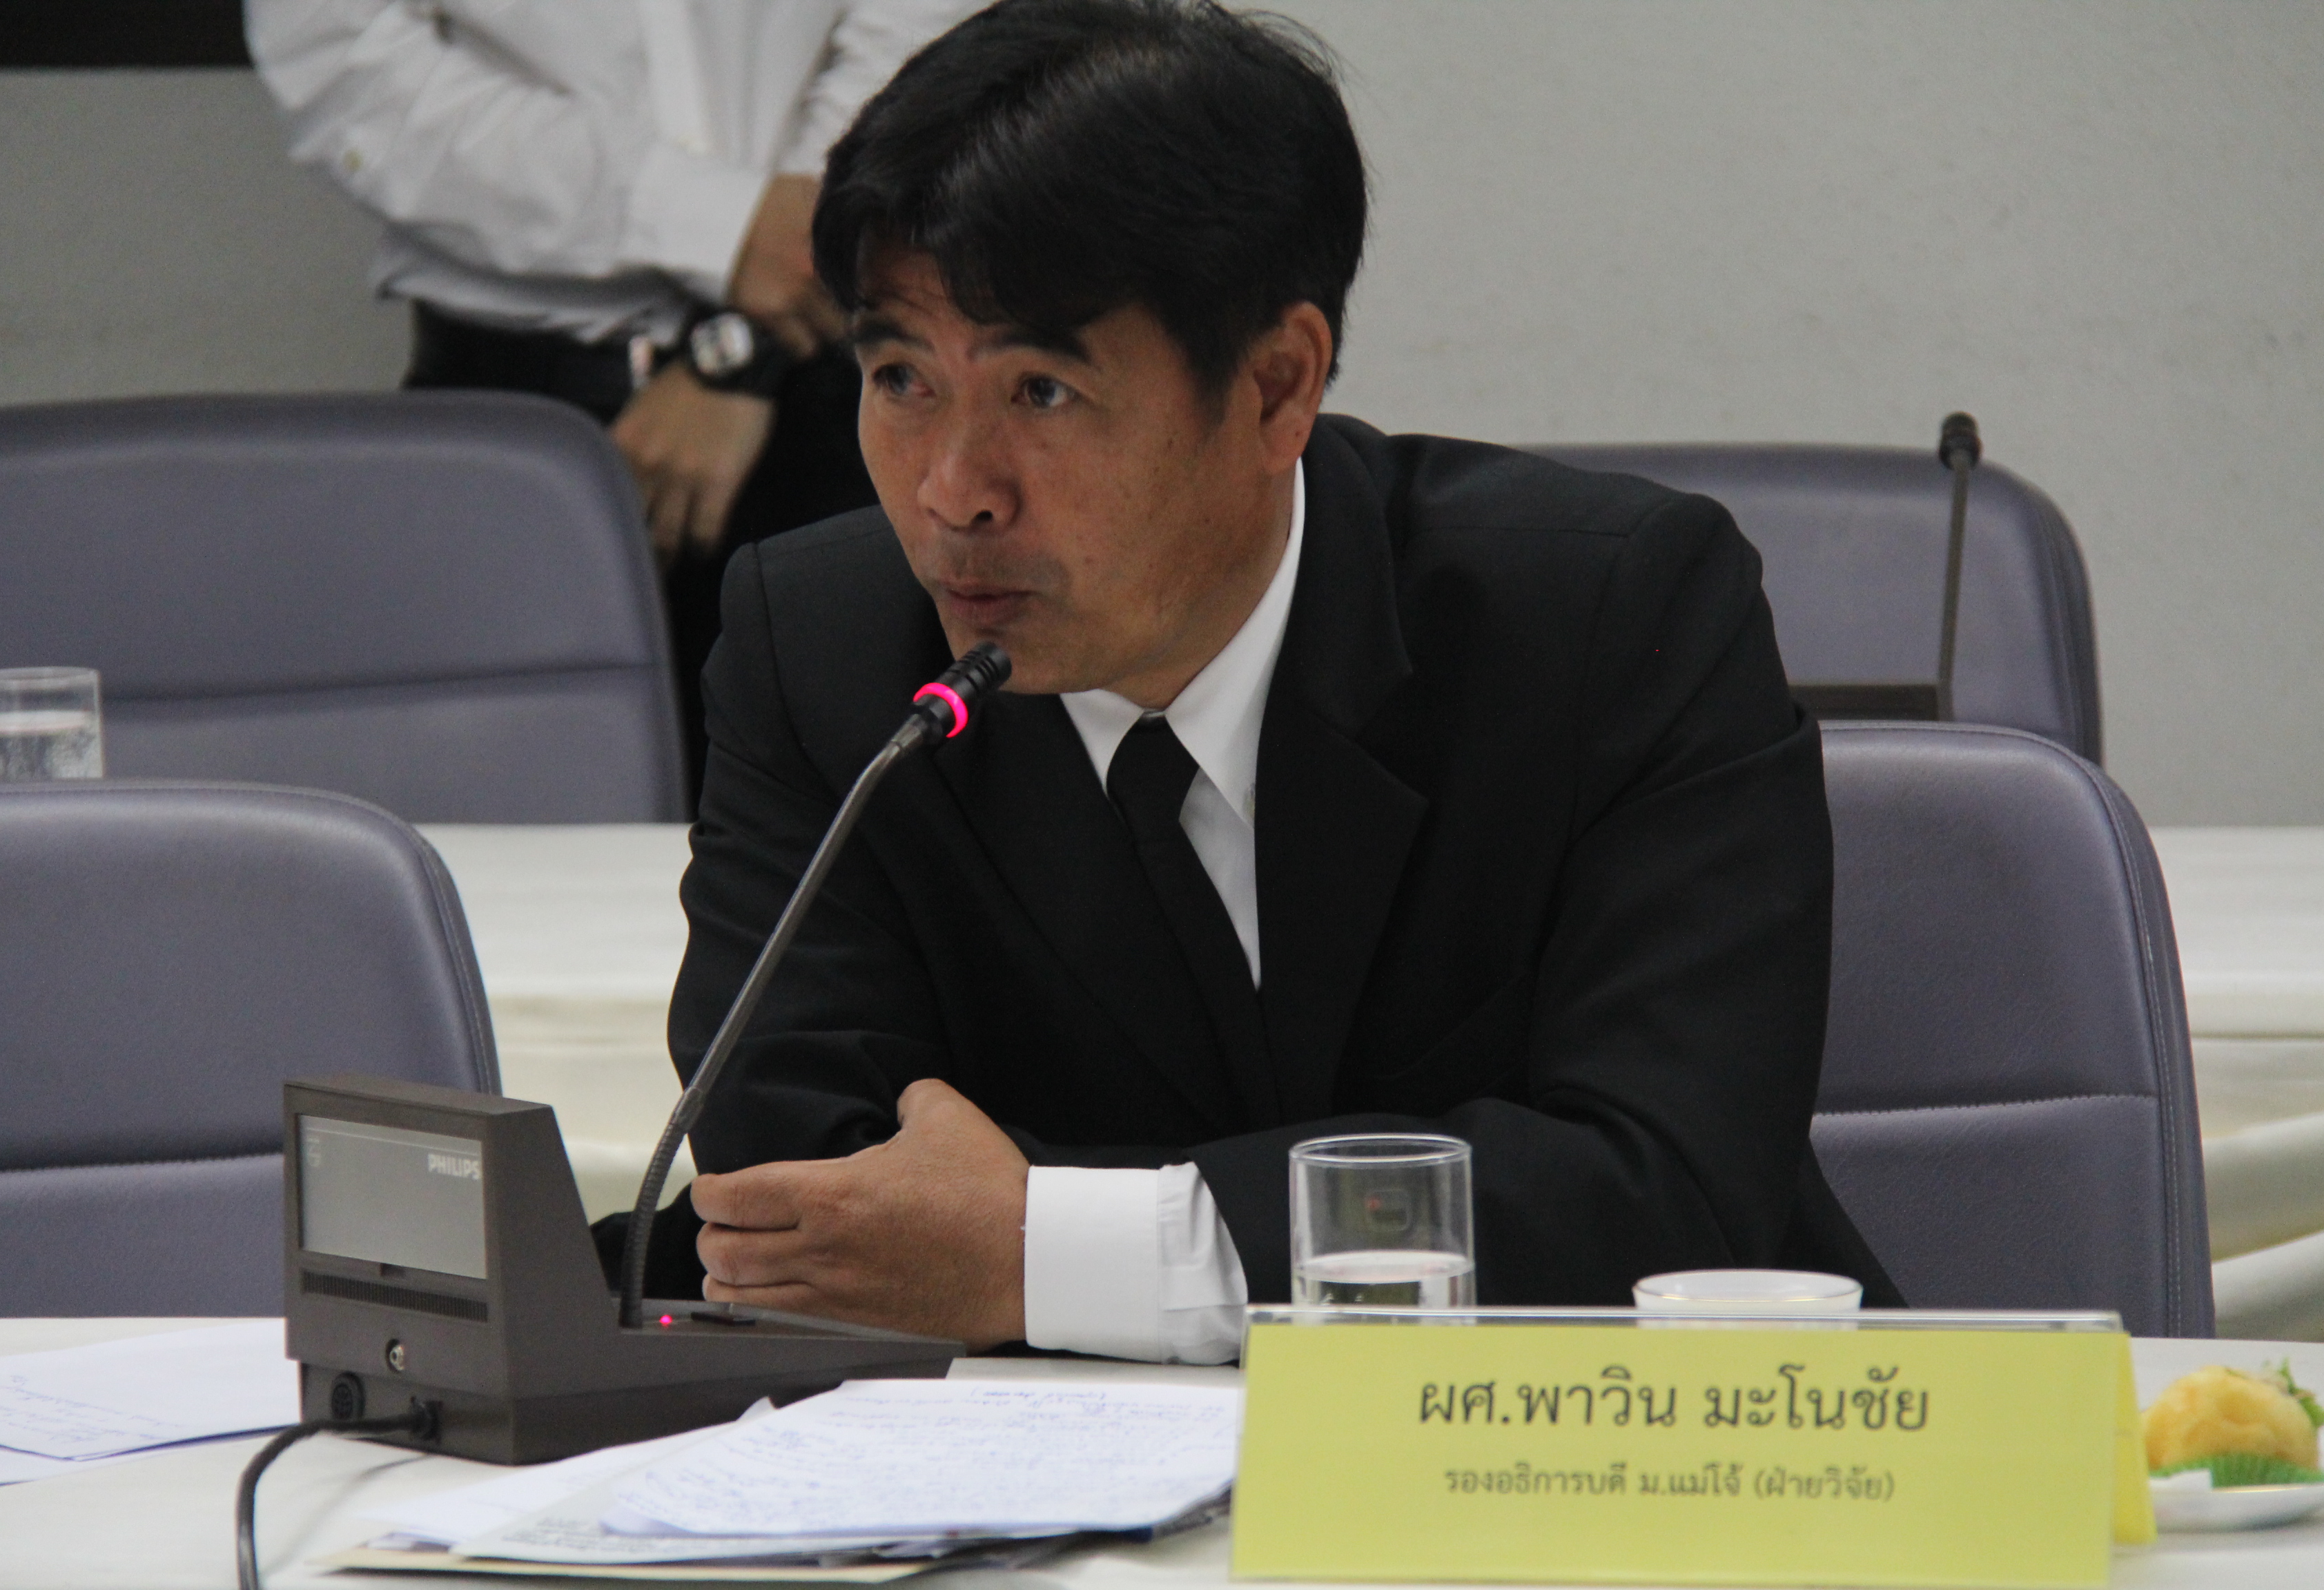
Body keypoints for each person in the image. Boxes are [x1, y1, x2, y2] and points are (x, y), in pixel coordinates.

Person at [650, 0, 1900, 1362]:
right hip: (1054, 1473)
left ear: (1275, 388)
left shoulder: (1611, 620)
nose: (954, 492)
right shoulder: (821, 647)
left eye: (1041, 394)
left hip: (1599, 1445)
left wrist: (1049, 1251)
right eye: (901, 378)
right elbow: (802, 1203)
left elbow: (1666, 1190)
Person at [247, 0, 975, 793]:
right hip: (511, 420)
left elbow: (932, 37)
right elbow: (337, 56)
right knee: (502, 823)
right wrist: (718, 224)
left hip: (835, 394)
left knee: (868, 825)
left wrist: (755, 334)